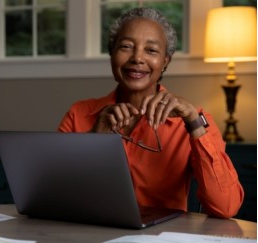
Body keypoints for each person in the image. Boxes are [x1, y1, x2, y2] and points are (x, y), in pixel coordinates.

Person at [58, 7, 243, 218]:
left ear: (165, 62)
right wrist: (93, 141)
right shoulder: (79, 114)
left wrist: (193, 123)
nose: (137, 58)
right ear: (112, 55)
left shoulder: (195, 120)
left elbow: (226, 207)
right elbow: (52, 194)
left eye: (151, 50)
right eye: (126, 46)